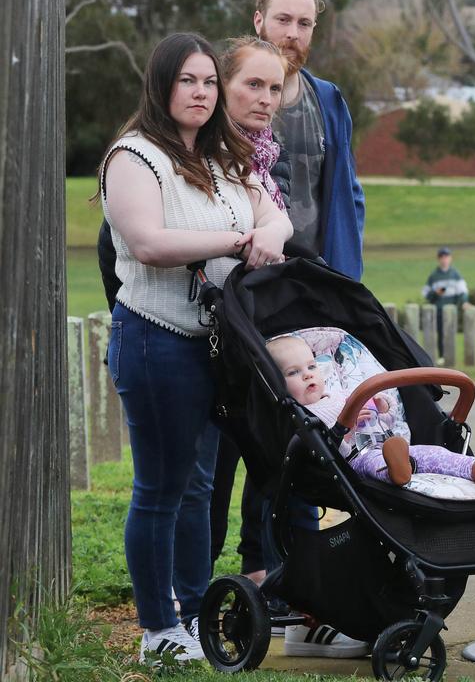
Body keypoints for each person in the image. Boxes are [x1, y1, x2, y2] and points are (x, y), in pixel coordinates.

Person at [99, 32, 293, 664]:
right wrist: (238, 240)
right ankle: (157, 630)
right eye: (189, 80)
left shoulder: (223, 156)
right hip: (156, 340)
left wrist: (266, 232)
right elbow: (149, 243)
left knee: (196, 488)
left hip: (216, 347)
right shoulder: (134, 156)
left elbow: (278, 216)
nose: (202, 93)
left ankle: (193, 613)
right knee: (160, 488)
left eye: (209, 82)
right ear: (161, 85)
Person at [207, 36, 289, 594]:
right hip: (199, 331)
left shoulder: (258, 159)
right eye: (252, 85)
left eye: (274, 88)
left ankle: (259, 566)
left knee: (266, 447)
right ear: (222, 87)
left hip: (252, 327)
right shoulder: (198, 151)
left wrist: (269, 232)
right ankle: (189, 585)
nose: (264, 99)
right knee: (210, 468)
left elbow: (279, 226)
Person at [266, 335, 475, 486]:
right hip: (357, 460)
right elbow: (321, 451)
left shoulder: (341, 396)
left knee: (432, 452)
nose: (307, 374)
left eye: (311, 366)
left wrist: (383, 407)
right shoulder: (310, 415)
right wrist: (344, 432)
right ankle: (396, 471)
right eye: (293, 372)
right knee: (376, 462)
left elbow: (385, 421)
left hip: (391, 445)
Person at [253, 0, 365, 279]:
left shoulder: (329, 101)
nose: (293, 33)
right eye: (283, 20)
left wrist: (346, 272)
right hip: (246, 278)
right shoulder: (225, 96)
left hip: (317, 279)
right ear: (258, 20)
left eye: (304, 23)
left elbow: (349, 193)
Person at [422, 247, 469, 358]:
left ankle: (451, 356)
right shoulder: (433, 276)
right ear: (438, 259)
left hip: (451, 310)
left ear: (450, 258)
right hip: (438, 309)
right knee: (441, 334)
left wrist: (464, 302)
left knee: (450, 333)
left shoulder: (455, 274)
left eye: (446, 257)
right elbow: (426, 294)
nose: (444, 260)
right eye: (442, 257)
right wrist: (436, 293)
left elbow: (462, 291)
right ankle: (442, 356)